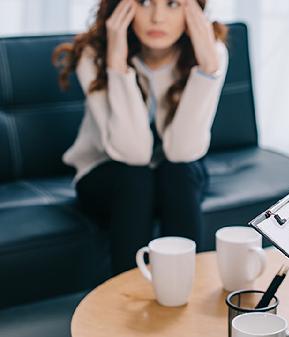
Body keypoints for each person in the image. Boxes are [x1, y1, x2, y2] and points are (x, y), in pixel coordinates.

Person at [53, 0, 229, 274]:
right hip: (107, 175)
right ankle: (125, 301)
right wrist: (117, 66)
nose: (157, 17)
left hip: (174, 176)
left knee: (179, 173)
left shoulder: (211, 52)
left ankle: (183, 294)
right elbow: (133, 153)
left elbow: (182, 151)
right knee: (136, 179)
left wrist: (207, 70)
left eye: (172, 3)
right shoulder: (94, 55)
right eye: (145, 2)